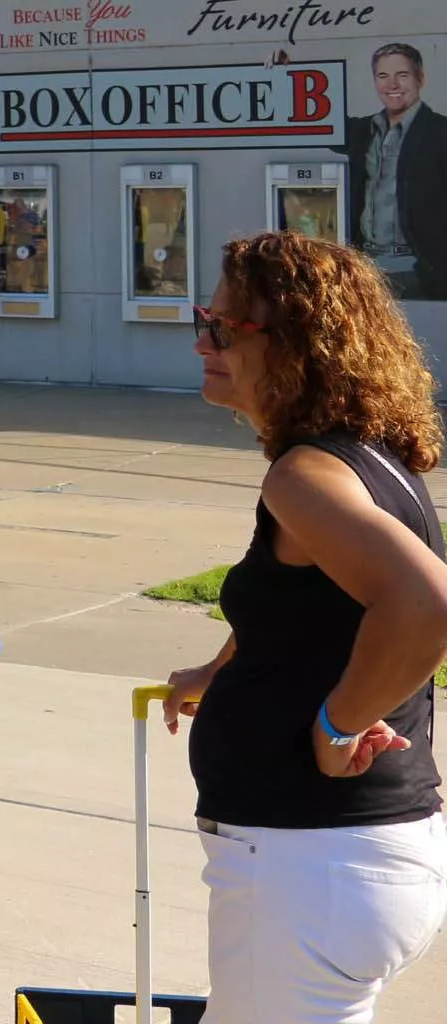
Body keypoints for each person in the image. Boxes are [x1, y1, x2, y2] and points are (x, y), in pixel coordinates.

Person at [160, 233, 447, 1022]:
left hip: (308, 866)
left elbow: (427, 607)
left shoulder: (305, 476)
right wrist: (221, 672)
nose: (202, 342)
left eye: (223, 328)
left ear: (294, 345)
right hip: (339, 865)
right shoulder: (365, 459)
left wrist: (336, 722)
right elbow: (306, 610)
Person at [345, 42, 447, 300]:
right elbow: (316, 117)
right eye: (383, 76)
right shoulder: (362, 131)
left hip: (416, 271)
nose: (392, 85)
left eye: (402, 75)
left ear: (419, 79)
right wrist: (283, 75)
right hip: (365, 270)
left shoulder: (440, 132)